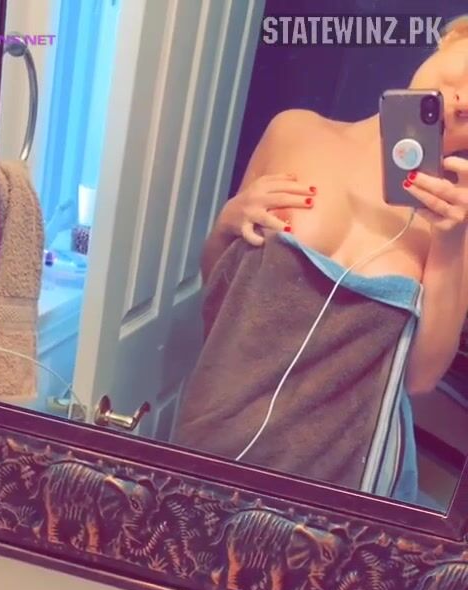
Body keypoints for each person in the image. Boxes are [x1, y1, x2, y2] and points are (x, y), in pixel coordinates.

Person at [174, 17, 468, 502]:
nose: (464, 102)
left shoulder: (454, 222)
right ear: (453, 40)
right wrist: (228, 224)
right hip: (223, 428)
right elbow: (218, 297)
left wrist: (452, 241)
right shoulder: (294, 131)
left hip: (346, 476)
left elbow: (420, 378)